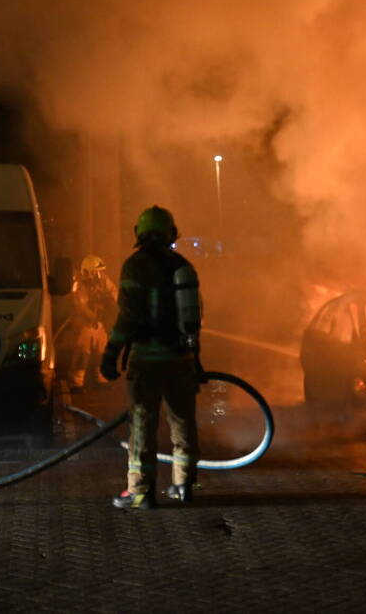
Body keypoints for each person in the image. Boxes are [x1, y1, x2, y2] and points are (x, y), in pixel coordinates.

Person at [100, 206, 202, 509]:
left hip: (146, 360)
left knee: (142, 425)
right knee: (183, 424)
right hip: (181, 360)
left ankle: (140, 492)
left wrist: (111, 353)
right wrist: (195, 360)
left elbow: (128, 316)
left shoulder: (135, 266)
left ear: (139, 233)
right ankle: (183, 486)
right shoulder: (183, 266)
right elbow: (194, 319)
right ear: (172, 233)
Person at [67, 254, 118, 391]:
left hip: (98, 323)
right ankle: (76, 383)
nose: (99, 274)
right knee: (82, 353)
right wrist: (91, 314)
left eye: (100, 271)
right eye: (96, 271)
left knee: (102, 352)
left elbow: (114, 294)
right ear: (88, 271)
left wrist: (109, 303)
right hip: (84, 324)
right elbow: (79, 305)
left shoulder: (103, 281)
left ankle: (101, 380)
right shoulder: (79, 284)